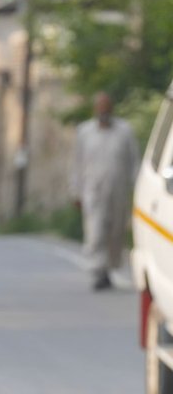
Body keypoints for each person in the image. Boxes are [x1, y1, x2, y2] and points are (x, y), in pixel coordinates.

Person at [71, 91, 139, 291]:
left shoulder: (125, 131)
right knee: (96, 231)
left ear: (112, 108)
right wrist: (75, 191)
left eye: (106, 106)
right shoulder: (84, 132)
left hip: (118, 189)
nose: (103, 110)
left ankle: (109, 269)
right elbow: (76, 164)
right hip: (92, 190)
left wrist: (138, 190)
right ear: (95, 109)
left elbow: (134, 161)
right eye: (100, 107)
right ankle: (99, 271)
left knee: (115, 232)